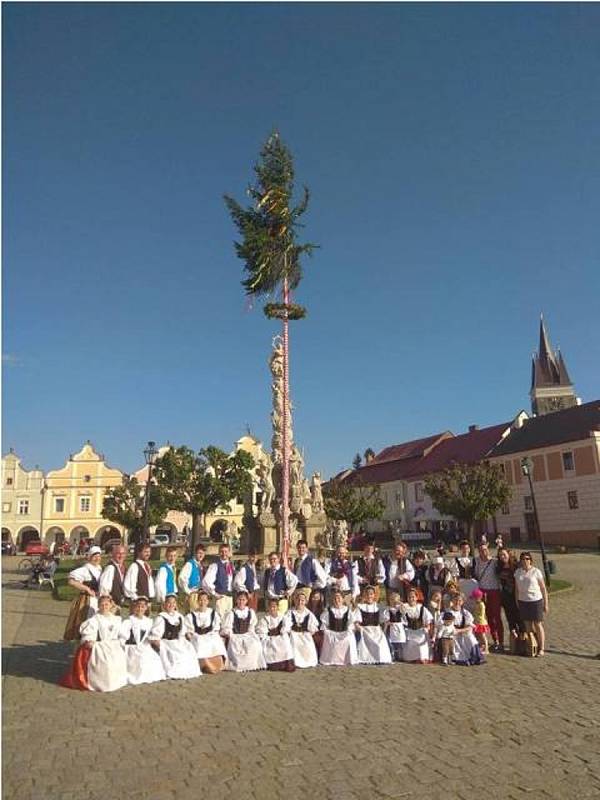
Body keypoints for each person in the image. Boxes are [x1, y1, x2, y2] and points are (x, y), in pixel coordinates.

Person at [59, 595, 127, 692]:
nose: (104, 607)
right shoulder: (94, 620)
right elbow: (89, 633)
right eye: (102, 605)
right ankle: (100, 682)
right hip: (100, 646)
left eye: (106, 604)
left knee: (118, 661)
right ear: (98, 606)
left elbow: (122, 634)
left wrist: (120, 642)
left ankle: (116, 681)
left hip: (113, 646)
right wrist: (89, 640)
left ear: (111, 605)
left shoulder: (116, 619)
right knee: (104, 664)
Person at [149, 594, 201, 680]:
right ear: (165, 604)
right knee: (175, 654)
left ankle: (187, 671)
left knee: (189, 650)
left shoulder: (179, 617)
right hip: (166, 642)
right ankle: (173, 671)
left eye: (173, 603)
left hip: (177, 640)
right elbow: (156, 636)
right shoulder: (161, 618)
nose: (171, 605)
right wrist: (158, 644)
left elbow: (182, 632)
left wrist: (184, 640)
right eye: (169, 603)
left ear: (176, 604)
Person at [119, 596, 166, 685]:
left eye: (142, 607)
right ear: (134, 607)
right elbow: (123, 637)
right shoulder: (129, 620)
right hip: (131, 647)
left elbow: (150, 636)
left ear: (146, 608)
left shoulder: (149, 621)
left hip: (144, 645)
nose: (140, 609)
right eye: (138, 606)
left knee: (153, 658)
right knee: (140, 659)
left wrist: (154, 640)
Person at [63, 546, 103, 641]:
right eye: (94, 556)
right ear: (89, 557)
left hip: (98, 600)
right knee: (87, 624)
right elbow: (71, 581)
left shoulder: (100, 569)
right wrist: (87, 589)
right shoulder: (85, 569)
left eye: (99, 556)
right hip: (88, 600)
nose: (97, 558)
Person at [221, 589, 266, 672]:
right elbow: (227, 627)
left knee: (254, 644)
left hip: (247, 634)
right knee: (237, 646)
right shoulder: (231, 613)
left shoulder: (250, 612)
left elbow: (252, 626)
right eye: (239, 600)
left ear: (246, 601)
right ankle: (240, 666)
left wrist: (251, 634)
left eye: (243, 600)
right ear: (236, 600)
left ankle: (252, 665)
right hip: (235, 635)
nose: (241, 602)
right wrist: (230, 634)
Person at [514, 552, 548, 657]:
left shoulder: (536, 571)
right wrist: (517, 601)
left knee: (538, 624)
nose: (525, 561)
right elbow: (516, 589)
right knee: (528, 626)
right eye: (523, 559)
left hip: (535, 600)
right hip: (523, 601)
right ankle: (532, 645)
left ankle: (541, 648)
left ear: (531, 560)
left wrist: (546, 603)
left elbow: (543, 588)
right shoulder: (518, 572)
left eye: (527, 559)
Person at [185, 589, 227, 674]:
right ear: (197, 601)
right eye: (200, 600)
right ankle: (204, 665)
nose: (202, 602)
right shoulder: (192, 615)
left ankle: (217, 665)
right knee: (199, 642)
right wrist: (192, 635)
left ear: (208, 601)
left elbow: (216, 627)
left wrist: (211, 634)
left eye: (205, 600)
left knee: (215, 640)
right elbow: (189, 630)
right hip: (198, 636)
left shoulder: (213, 613)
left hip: (210, 635)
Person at [473, 543, 503, 651]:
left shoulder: (494, 562)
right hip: (482, 592)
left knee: (496, 616)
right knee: (486, 617)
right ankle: (492, 640)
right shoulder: (476, 562)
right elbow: (475, 575)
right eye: (481, 550)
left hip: (494, 591)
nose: (483, 552)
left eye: (485, 550)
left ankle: (500, 641)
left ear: (488, 550)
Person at [319, 589, 359, 667]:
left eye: (339, 598)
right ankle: (331, 659)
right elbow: (324, 625)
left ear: (343, 599)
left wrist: (349, 630)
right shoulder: (328, 610)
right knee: (329, 638)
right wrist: (327, 632)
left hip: (344, 633)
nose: (337, 600)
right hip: (332, 633)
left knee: (349, 638)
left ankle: (347, 659)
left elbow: (351, 624)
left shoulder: (347, 610)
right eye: (335, 598)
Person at [355, 585, 392, 665]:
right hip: (365, 630)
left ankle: (380, 658)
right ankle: (366, 658)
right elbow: (356, 623)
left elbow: (384, 620)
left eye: (371, 594)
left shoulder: (378, 607)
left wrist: (383, 630)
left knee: (381, 641)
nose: (369, 596)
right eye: (367, 594)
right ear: (364, 595)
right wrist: (360, 629)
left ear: (374, 595)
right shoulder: (360, 607)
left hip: (376, 630)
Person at [257, 598, 296, 672]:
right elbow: (262, 632)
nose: (272, 608)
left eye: (274, 606)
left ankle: (286, 663)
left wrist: (282, 633)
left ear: (277, 607)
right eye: (270, 606)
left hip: (280, 637)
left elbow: (286, 627)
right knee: (270, 645)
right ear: (268, 607)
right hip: (269, 638)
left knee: (285, 642)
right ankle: (273, 665)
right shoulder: (264, 619)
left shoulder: (283, 617)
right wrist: (268, 638)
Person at [285, 590, 319, 668]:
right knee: (294, 641)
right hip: (293, 634)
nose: (300, 602)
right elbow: (286, 625)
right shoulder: (290, 612)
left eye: (302, 600)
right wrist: (290, 632)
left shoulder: (309, 614)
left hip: (305, 635)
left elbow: (313, 628)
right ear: (295, 600)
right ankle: (296, 662)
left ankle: (308, 661)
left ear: (306, 601)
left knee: (307, 644)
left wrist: (308, 633)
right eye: (298, 600)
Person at [447, 592, 484, 665]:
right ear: (452, 601)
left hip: (462, 632)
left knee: (471, 638)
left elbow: (470, 626)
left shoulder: (465, 613)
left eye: (459, 600)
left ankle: (474, 657)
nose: (457, 602)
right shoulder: (448, 612)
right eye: (455, 600)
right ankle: (458, 658)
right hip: (452, 633)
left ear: (462, 602)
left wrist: (460, 630)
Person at [293, 540, 328, 614]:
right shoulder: (296, 561)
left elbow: (322, 576)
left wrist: (315, 586)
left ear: (306, 549)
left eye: (303, 548)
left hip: (307, 589)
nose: (301, 549)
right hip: (297, 589)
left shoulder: (312, 560)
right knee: (298, 611)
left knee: (306, 610)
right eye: (299, 547)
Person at [401, 587, 433, 663]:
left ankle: (422, 657)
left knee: (421, 644)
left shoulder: (421, 608)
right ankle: (411, 658)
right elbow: (402, 621)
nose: (411, 599)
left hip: (420, 631)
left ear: (416, 597)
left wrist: (427, 627)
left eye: (413, 597)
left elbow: (428, 620)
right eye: (409, 597)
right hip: (409, 631)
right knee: (409, 643)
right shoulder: (404, 607)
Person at [202, 543, 235, 617]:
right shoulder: (215, 566)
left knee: (228, 621)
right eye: (222, 551)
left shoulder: (231, 565)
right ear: (219, 553)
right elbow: (205, 582)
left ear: (229, 552)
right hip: (220, 598)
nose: (224, 554)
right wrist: (214, 593)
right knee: (219, 621)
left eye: (226, 551)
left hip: (229, 597)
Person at [496, 547, 522, 635]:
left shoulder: (516, 566)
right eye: (500, 555)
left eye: (504, 554)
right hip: (506, 596)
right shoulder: (499, 568)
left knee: (519, 617)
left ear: (508, 554)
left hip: (516, 595)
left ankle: (524, 638)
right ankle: (514, 637)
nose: (502, 557)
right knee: (510, 617)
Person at [178, 544, 207, 612]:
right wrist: (188, 591)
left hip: (200, 594)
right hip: (193, 594)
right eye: (199, 553)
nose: (201, 555)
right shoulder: (190, 564)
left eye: (203, 553)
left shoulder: (200, 565)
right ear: (195, 553)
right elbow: (182, 578)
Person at [385, 591, 406, 662]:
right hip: (392, 626)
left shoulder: (399, 608)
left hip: (399, 626)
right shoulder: (388, 609)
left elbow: (404, 612)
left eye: (395, 600)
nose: (394, 602)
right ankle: (392, 654)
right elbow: (386, 618)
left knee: (400, 641)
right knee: (391, 642)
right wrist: (388, 623)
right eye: (392, 600)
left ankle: (400, 655)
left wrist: (401, 604)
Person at [470, 588, 490, 655]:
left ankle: (486, 649)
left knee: (483, 636)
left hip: (480, 622)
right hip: (476, 622)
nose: (474, 599)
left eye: (475, 598)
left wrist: (476, 618)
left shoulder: (481, 604)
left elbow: (481, 614)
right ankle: (481, 647)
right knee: (478, 636)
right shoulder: (477, 604)